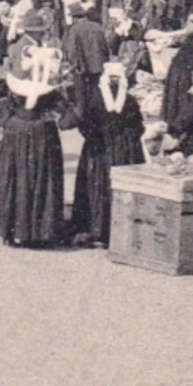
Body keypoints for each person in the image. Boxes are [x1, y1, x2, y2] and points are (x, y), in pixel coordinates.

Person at [0, 45, 66, 249]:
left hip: (17, 132)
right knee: (41, 177)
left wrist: (10, 123)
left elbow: (4, 111)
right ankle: (39, 231)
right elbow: (65, 111)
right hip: (42, 133)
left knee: (15, 177)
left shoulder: (16, 88)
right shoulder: (48, 91)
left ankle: (11, 228)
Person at [69, 61, 145, 248]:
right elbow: (138, 128)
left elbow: (85, 125)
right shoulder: (130, 101)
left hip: (98, 150)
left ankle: (96, 228)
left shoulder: (93, 99)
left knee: (97, 185)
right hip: (123, 151)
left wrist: (94, 140)